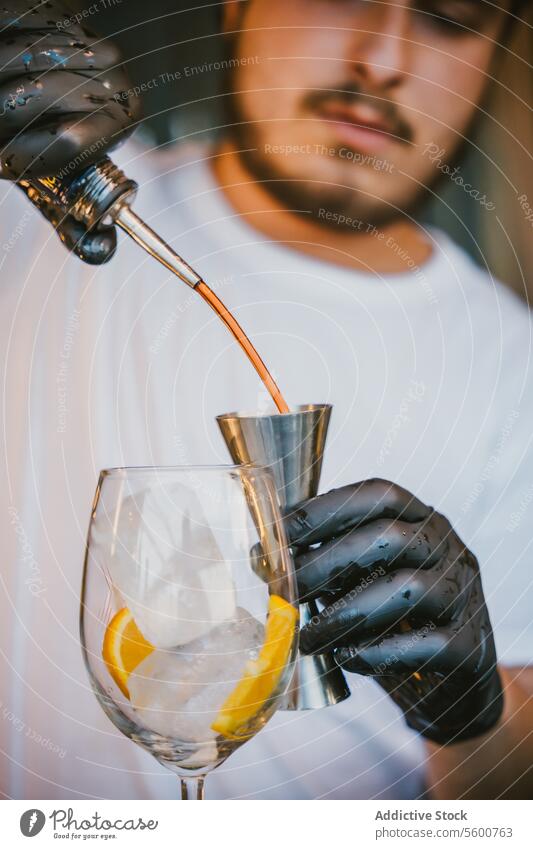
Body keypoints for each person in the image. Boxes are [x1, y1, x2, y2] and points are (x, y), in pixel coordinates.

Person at [1, 0, 532, 800]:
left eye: (448, 17)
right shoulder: (29, 201)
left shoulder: (513, 370)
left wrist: (474, 716)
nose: (381, 59)